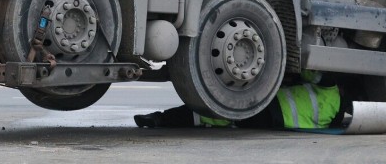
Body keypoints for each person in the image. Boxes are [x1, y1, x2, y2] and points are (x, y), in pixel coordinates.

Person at [135, 70, 346, 130]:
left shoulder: (331, 89)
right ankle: (162, 120)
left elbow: (309, 72)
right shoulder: (328, 121)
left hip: (271, 107)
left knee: (223, 107)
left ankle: (162, 119)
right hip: (272, 125)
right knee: (221, 117)